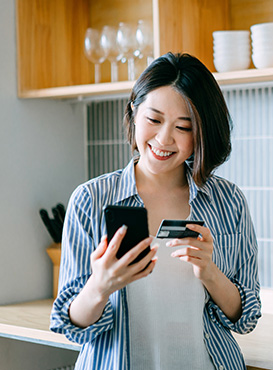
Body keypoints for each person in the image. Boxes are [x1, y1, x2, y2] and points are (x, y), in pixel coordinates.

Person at [50, 52, 261, 370]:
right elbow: (71, 326)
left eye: (184, 127)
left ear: (200, 133)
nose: (164, 139)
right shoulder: (91, 200)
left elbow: (245, 318)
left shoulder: (227, 201)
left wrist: (210, 273)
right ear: (134, 112)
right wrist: (101, 284)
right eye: (154, 119)